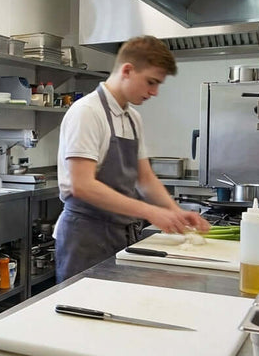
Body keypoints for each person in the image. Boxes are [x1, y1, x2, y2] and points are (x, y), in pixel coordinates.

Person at [54, 35, 210, 283]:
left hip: (120, 234)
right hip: (85, 237)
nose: (154, 92)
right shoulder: (87, 112)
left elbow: (145, 178)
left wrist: (175, 212)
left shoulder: (132, 118)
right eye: (151, 82)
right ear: (127, 70)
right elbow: (82, 185)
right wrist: (151, 212)